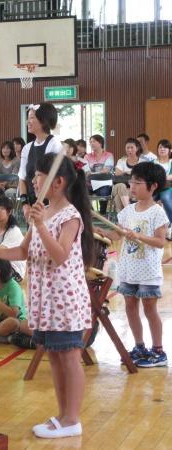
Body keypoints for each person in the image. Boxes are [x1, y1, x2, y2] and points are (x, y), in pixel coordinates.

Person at [0, 153, 94, 439]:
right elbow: (23, 251)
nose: (33, 181)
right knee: (55, 357)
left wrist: (42, 225)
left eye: (39, 176)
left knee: (69, 358)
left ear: (58, 182)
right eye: (33, 176)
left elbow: (60, 255)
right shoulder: (41, 211)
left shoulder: (70, 216)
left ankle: (72, 419)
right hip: (45, 300)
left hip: (65, 300)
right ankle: (63, 415)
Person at [97, 162, 169, 368]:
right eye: (132, 182)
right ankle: (139, 346)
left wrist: (138, 236)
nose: (132, 186)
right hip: (128, 270)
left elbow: (160, 242)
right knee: (130, 307)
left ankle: (158, 351)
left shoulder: (157, 212)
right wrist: (102, 232)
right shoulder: (128, 211)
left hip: (148, 272)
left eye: (138, 182)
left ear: (153, 186)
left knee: (150, 309)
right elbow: (116, 235)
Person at [18, 103, 62, 218]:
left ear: (44, 121)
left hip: (49, 205)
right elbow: (22, 178)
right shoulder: (27, 148)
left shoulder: (54, 144)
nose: (28, 122)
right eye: (28, 118)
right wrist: (25, 204)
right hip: (32, 205)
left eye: (32, 118)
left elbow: (52, 177)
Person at [85, 134, 114, 215]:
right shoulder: (87, 156)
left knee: (104, 192)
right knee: (80, 191)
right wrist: (92, 173)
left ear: (100, 143)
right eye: (90, 142)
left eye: (94, 141)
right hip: (89, 184)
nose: (91, 144)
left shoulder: (108, 155)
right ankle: (92, 213)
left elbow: (106, 170)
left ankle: (102, 214)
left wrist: (92, 173)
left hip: (104, 183)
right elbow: (86, 171)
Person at [112, 137, 141, 212]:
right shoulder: (121, 161)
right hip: (118, 186)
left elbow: (142, 176)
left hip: (133, 189)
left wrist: (125, 172)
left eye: (132, 147)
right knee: (121, 186)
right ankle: (128, 210)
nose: (129, 150)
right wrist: (128, 172)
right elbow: (117, 173)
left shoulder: (142, 162)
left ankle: (122, 217)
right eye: (127, 148)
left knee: (118, 198)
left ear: (137, 148)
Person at [155, 139, 172, 223]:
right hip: (154, 188)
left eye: (165, 147)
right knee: (146, 199)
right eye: (160, 147)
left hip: (168, 187)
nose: (162, 149)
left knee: (165, 198)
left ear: (170, 150)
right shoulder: (153, 162)